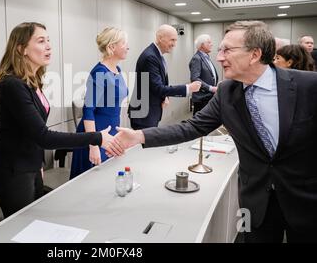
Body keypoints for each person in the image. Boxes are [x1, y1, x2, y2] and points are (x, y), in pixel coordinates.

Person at [115, 21, 317, 243]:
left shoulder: (308, 86)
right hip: (256, 202)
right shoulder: (226, 93)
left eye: (227, 50)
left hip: (305, 201)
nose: (219, 57)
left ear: (255, 54)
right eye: (219, 49)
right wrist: (139, 136)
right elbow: (192, 126)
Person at [0, 22, 122, 218]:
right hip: (11, 168)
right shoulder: (12, 84)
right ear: (21, 48)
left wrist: (38, 163)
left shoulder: (32, 81)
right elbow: (43, 136)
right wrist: (96, 137)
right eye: (41, 41)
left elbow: (32, 130)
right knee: (22, 226)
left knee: (34, 222)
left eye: (48, 40)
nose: (49, 46)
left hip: (29, 163)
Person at [70, 27, 128, 179]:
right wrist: (93, 145)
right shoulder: (100, 72)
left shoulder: (117, 69)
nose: (127, 47)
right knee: (89, 181)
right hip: (95, 134)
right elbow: (88, 110)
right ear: (112, 47)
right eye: (124, 43)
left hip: (111, 132)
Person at [128, 24, 201, 130]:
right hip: (144, 114)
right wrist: (188, 88)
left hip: (148, 111)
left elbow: (152, 84)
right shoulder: (150, 57)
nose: (174, 44)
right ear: (160, 38)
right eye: (172, 40)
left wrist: (164, 97)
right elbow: (157, 88)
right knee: (144, 145)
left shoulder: (156, 55)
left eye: (175, 40)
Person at [189, 34, 219, 114]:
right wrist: (211, 88)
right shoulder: (197, 58)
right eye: (209, 42)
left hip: (209, 97)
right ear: (202, 45)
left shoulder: (206, 57)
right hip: (202, 98)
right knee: (200, 124)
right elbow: (195, 78)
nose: (211, 44)